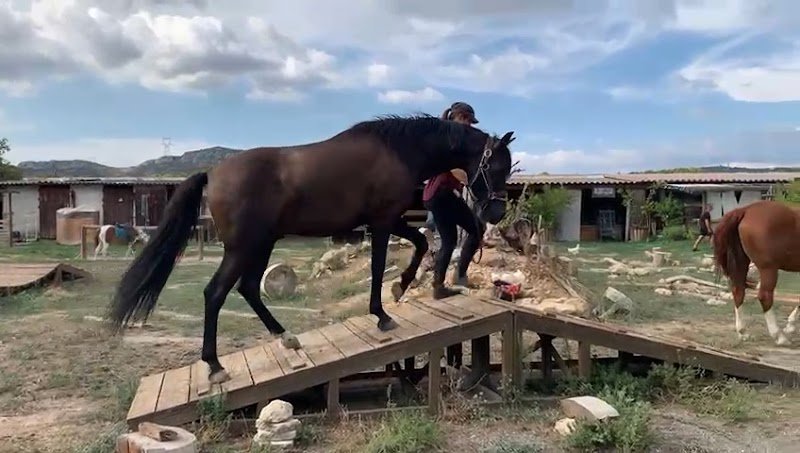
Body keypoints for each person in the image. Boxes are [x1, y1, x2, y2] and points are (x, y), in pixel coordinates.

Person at [423, 101, 493, 391]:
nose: (470, 126)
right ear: (462, 117)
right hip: (440, 194)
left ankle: (443, 284)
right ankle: (455, 277)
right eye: (468, 120)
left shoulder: (450, 133)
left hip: (435, 195)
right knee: (474, 229)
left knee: (454, 238)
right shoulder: (453, 135)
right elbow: (463, 171)